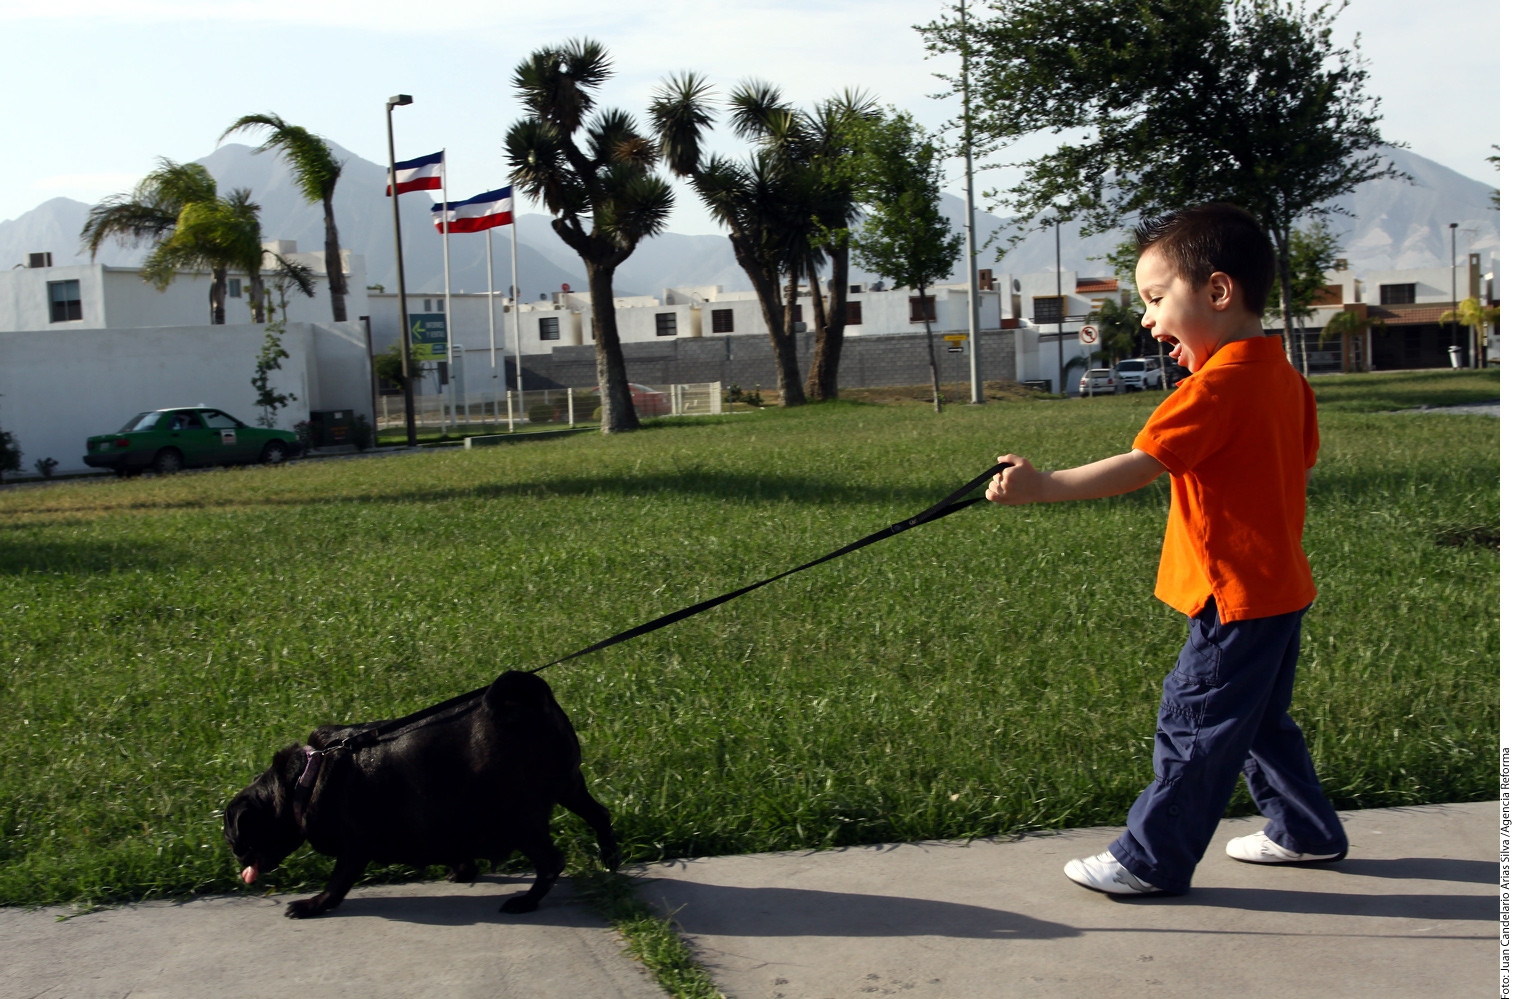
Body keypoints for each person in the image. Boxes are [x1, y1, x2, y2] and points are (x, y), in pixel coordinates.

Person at [985, 203, 1348, 896]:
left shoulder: (1209, 389)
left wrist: (1040, 485)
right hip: (1279, 587)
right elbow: (1293, 466)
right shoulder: (1284, 379)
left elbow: (1138, 465)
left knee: (1195, 722)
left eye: (1155, 299)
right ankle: (1305, 830)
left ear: (1216, 292)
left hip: (1230, 594)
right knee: (1260, 723)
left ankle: (1149, 858)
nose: (1148, 320)